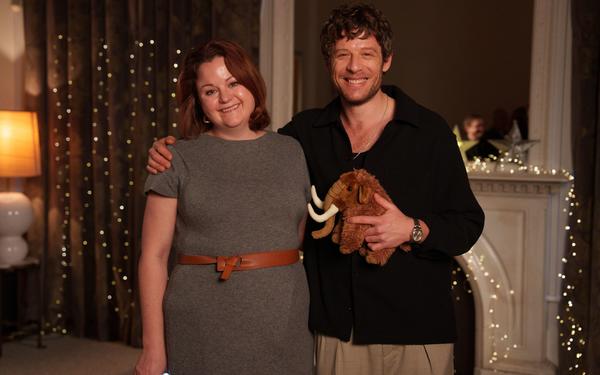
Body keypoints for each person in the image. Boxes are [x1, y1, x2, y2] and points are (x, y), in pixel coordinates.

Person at [147, 4, 484, 374]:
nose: (355, 67)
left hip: (417, 329)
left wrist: (412, 228)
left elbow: (467, 223)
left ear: (386, 60)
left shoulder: (430, 132)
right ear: (330, 63)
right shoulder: (302, 137)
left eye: (367, 54)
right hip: (339, 335)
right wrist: (170, 150)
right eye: (343, 55)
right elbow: (244, 152)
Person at [135, 39, 313, 375]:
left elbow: (295, 234)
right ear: (199, 103)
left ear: (251, 84)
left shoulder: (292, 151)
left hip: (283, 319)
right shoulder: (174, 158)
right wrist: (152, 348)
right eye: (210, 91)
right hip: (200, 320)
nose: (226, 97)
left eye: (233, 83)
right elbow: (153, 257)